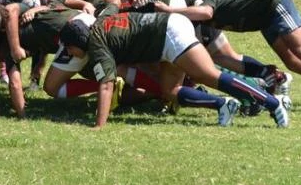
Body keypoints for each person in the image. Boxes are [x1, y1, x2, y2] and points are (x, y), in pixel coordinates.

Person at [57, 9, 287, 129]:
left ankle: (273, 103)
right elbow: (113, 5)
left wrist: (99, 124)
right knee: (169, 91)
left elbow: (106, 85)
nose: (70, 55)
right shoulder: (100, 23)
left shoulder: (96, 45)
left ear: (76, 43)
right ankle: (223, 106)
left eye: (69, 49)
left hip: (170, 35)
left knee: (209, 76)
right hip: (168, 29)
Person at [156, 0, 301, 113]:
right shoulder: (207, 4)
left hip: (274, 3)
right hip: (265, 19)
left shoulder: (203, 1)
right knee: (292, 61)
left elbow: (206, 12)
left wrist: (170, 10)